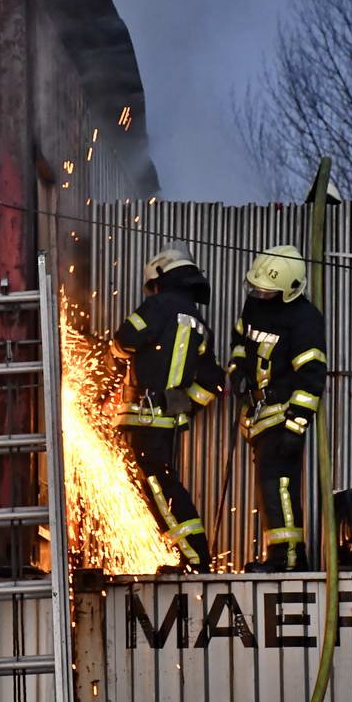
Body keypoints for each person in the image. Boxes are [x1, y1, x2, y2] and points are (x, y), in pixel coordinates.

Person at [111, 243, 225, 571]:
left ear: (160, 279)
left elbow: (125, 339)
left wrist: (112, 357)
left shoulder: (157, 306)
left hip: (144, 417)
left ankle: (192, 558)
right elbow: (213, 378)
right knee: (162, 482)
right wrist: (186, 407)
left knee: (159, 486)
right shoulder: (199, 322)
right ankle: (192, 554)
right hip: (166, 421)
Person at [227, 245, 327, 571]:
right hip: (256, 414)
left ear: (289, 289)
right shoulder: (255, 306)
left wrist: (296, 426)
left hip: (282, 416)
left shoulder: (305, 320)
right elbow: (240, 342)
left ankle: (290, 560)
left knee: (280, 487)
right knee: (268, 492)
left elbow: (311, 377)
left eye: (266, 290)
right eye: (256, 288)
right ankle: (280, 556)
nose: (258, 293)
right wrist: (238, 371)